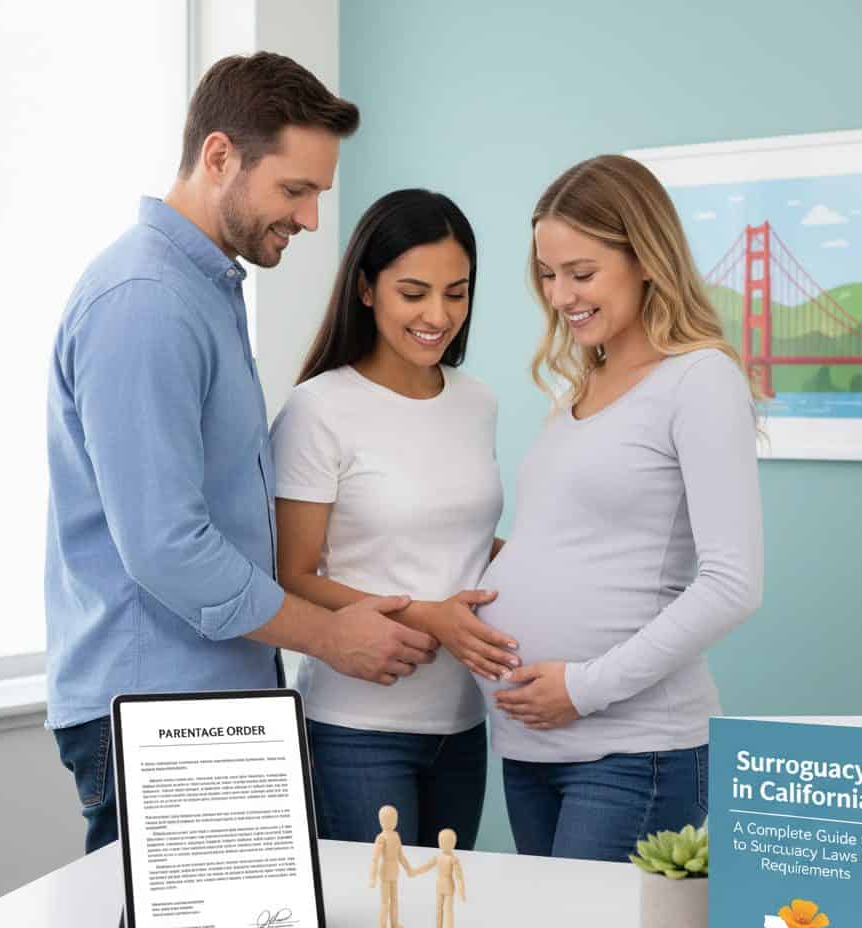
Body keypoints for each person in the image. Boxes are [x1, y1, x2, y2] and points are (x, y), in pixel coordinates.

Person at [45, 54, 438, 856]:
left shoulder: (202, 290)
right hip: (158, 709)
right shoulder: (146, 302)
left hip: (209, 701)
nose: (312, 219)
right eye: (295, 190)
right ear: (219, 156)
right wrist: (329, 636)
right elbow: (165, 545)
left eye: (318, 194)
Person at [474, 155, 764, 861]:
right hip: (531, 744)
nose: (560, 294)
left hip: (635, 749)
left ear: (645, 259)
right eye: (547, 273)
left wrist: (584, 687)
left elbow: (733, 584)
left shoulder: (699, 379)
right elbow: (568, 549)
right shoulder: (578, 388)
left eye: (582, 272)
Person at [270, 189, 517, 850]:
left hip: (463, 722)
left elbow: (461, 540)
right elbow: (291, 575)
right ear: (367, 289)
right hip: (355, 729)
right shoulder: (318, 409)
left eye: (456, 293)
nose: (439, 315)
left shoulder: (478, 402)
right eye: (414, 292)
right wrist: (427, 615)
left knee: (441, 918)